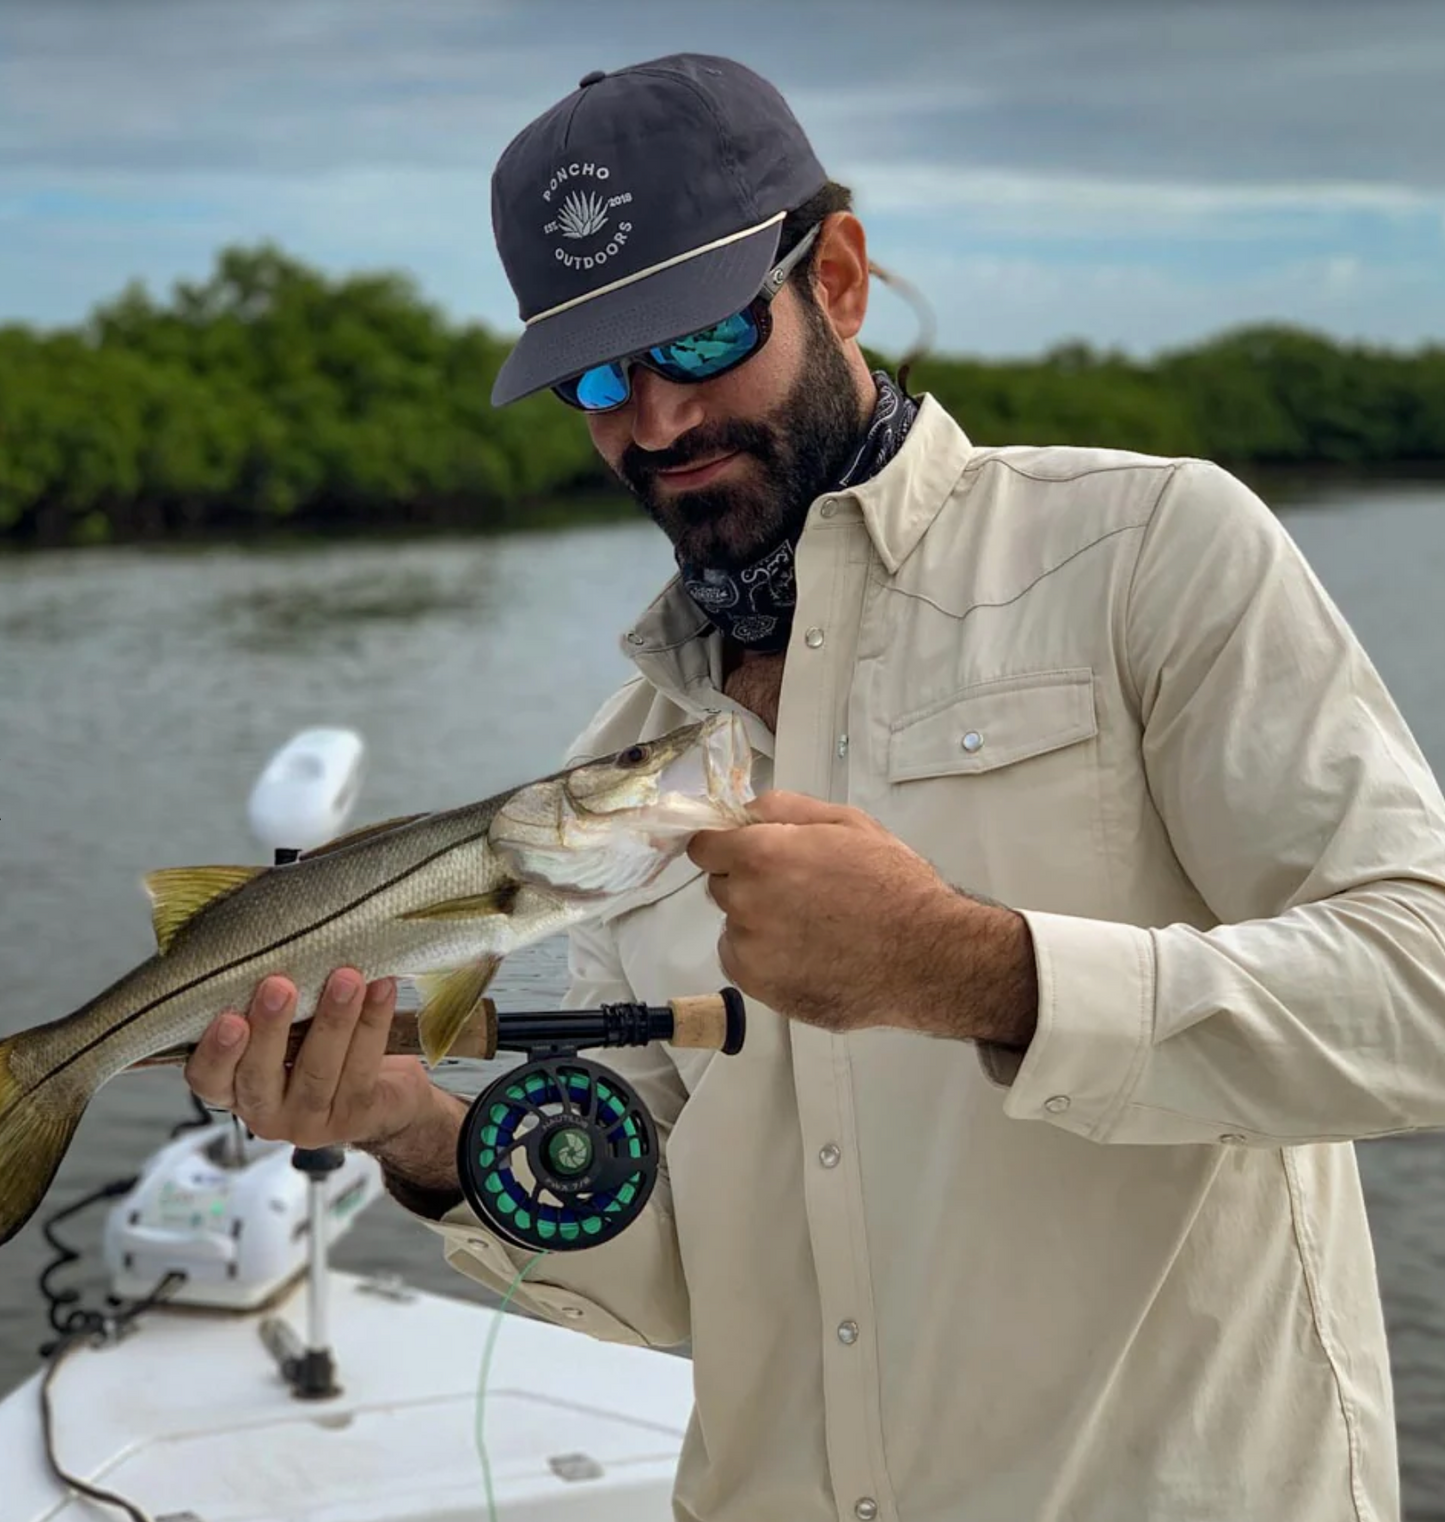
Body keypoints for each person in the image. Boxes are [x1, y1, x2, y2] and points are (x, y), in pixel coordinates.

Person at [184, 53, 1445, 1522]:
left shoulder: (1155, 554)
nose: (655, 423)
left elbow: (1420, 991)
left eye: (702, 337)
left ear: (835, 278)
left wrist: (977, 968)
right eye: (600, 376)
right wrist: (410, 1124)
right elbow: (667, 1265)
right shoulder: (624, 769)